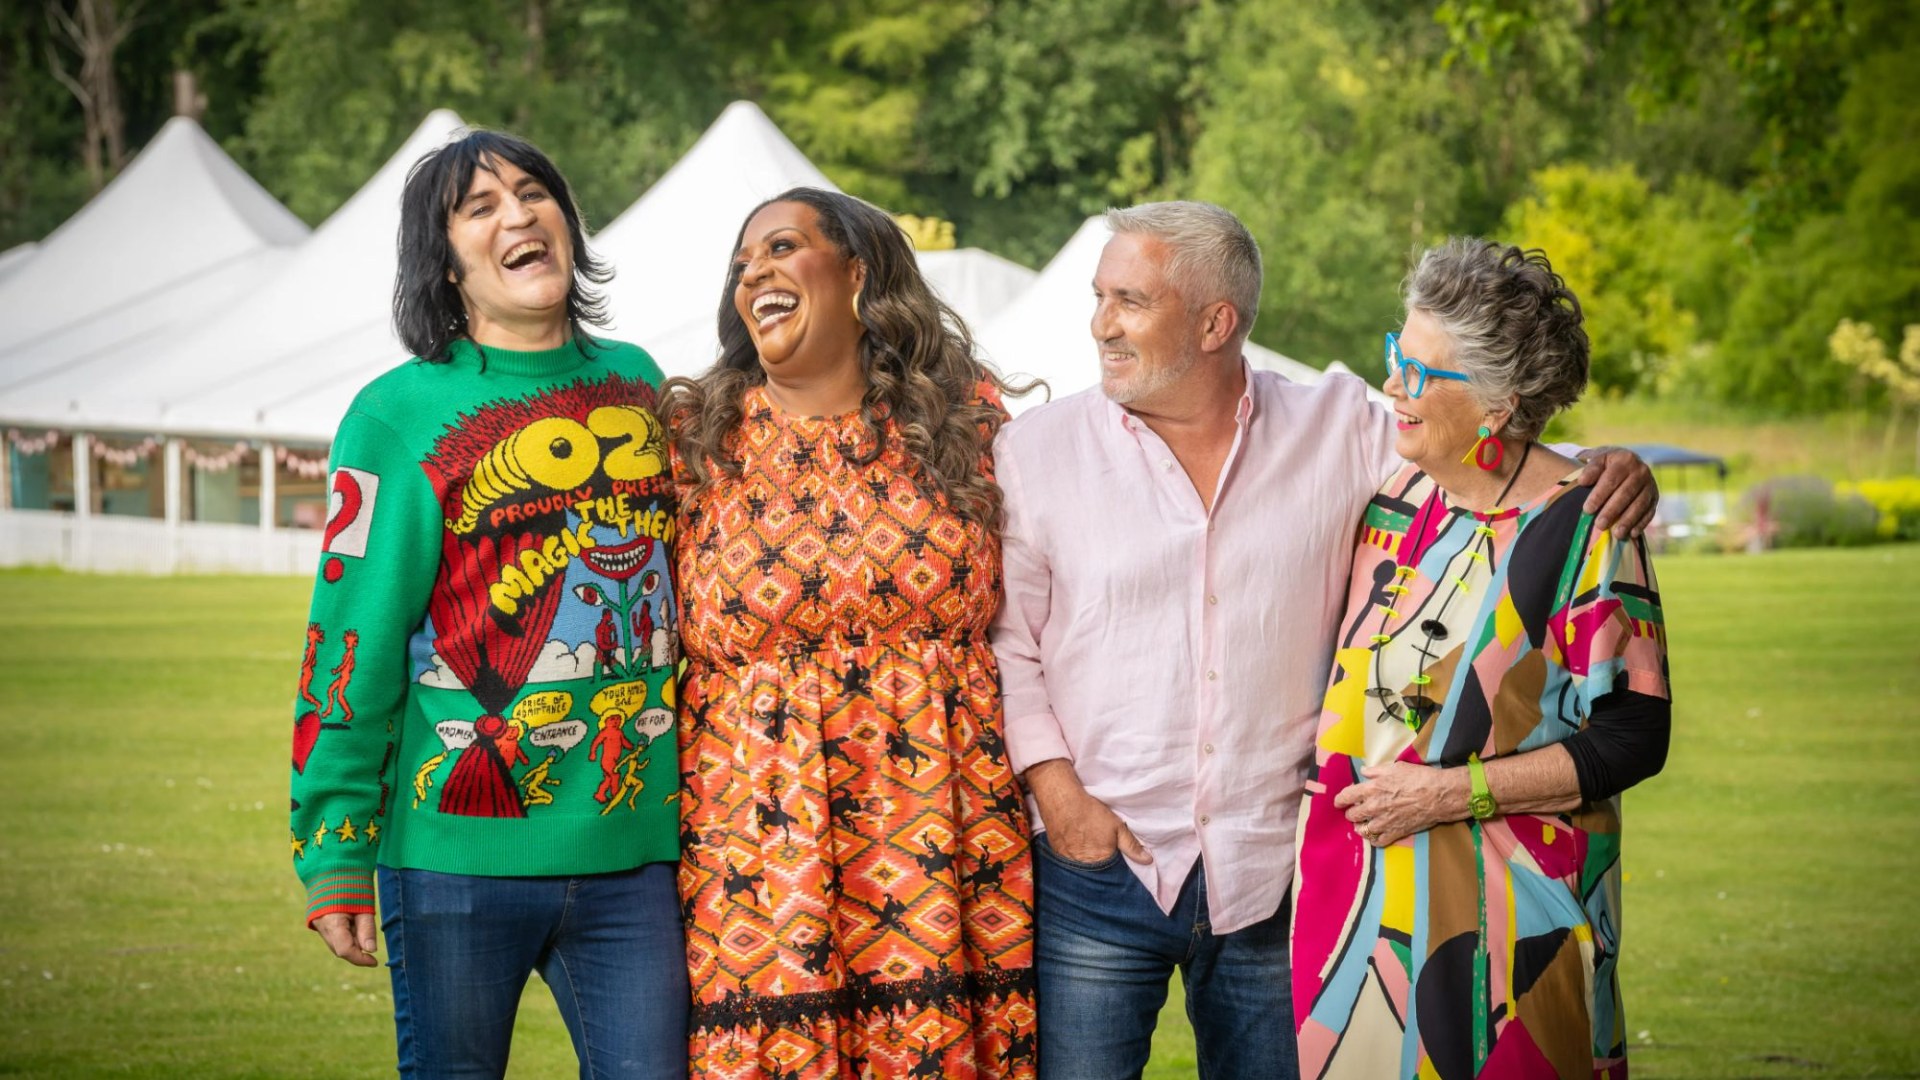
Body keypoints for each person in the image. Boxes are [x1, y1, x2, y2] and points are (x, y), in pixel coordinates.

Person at [988, 202, 1656, 1080]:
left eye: (1129, 300)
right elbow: (1008, 644)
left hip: (1282, 873)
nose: (1100, 324)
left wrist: (1606, 462)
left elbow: (1486, 444)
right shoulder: (1035, 452)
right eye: (1100, 296)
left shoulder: (1345, 429)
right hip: (1099, 869)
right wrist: (1059, 796)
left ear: (1215, 322)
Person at [289, 129, 687, 1079]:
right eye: (481, 207)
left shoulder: (638, 383)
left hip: (636, 855)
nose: (519, 214)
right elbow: (352, 635)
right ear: (448, 262)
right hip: (451, 860)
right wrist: (335, 845)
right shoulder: (394, 416)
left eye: (535, 192)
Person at [663, 187, 1038, 1078]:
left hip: (944, 835)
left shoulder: (967, 428)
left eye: (783, 248)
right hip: (754, 838)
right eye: (743, 262)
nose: (756, 271)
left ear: (859, 274)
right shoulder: (694, 441)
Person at [1291, 240, 1671, 1078]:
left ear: (1498, 405)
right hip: (1355, 915)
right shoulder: (1394, 500)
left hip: (1514, 922)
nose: (1391, 383)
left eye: (1418, 372)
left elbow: (1634, 736)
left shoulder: (1588, 529)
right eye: (1396, 354)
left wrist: (1446, 795)